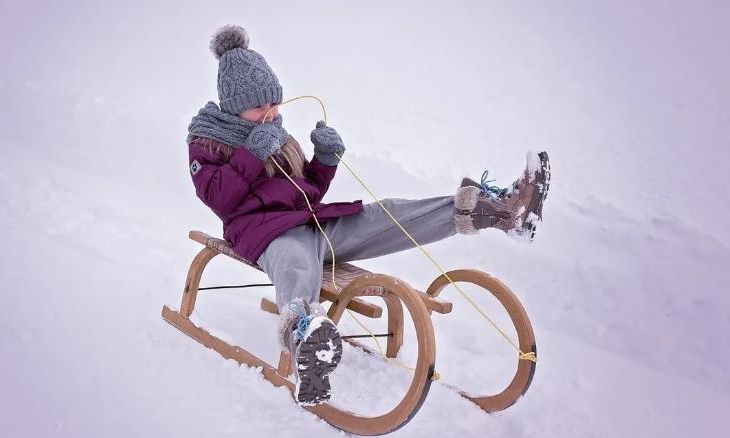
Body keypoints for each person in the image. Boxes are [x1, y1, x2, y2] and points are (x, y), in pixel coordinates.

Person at [186, 25, 550, 405]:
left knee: (387, 213)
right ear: (234, 106)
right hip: (268, 236)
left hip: (314, 223)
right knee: (297, 268)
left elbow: (304, 189)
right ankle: (306, 343)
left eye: (276, 104)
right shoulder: (208, 140)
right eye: (262, 107)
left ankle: (497, 212)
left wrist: (324, 162)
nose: (273, 114)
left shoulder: (273, 132)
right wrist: (251, 154)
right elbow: (217, 198)